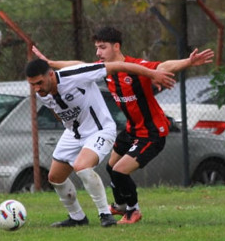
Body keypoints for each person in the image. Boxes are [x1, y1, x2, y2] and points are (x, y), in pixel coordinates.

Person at [32, 26, 214, 225]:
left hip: (152, 131)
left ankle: (133, 211)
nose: (98, 52)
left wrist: (188, 61)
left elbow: (162, 67)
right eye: (97, 48)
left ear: (116, 46)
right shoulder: (105, 71)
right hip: (132, 130)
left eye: (102, 48)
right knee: (111, 167)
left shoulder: (134, 67)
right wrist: (50, 63)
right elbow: (78, 65)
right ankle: (119, 205)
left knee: (119, 170)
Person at [25, 57, 175, 227]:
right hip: (74, 133)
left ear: (51, 75)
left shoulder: (76, 76)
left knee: (82, 166)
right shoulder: (42, 92)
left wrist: (152, 74)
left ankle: (105, 215)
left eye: (39, 82)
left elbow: (118, 65)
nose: (36, 88)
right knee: (55, 177)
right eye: (32, 85)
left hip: (100, 129)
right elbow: (57, 111)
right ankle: (77, 218)